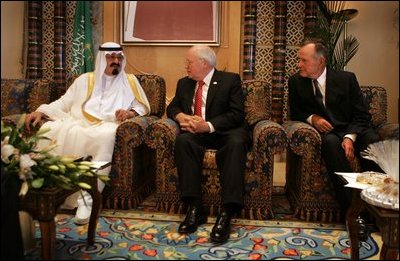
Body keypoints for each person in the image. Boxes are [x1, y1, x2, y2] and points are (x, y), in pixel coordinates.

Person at [25, 42, 151, 225]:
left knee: (106, 135)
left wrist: (129, 113)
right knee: (49, 129)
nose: (116, 61)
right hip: (78, 121)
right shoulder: (84, 79)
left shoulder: (130, 81)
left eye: (119, 58)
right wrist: (41, 111)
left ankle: (87, 199)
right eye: (111, 57)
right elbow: (63, 102)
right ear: (102, 58)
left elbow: (142, 107)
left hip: (109, 124)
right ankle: (44, 192)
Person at [288, 39, 382, 238]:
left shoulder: (346, 79)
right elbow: (296, 112)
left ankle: (379, 211)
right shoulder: (296, 81)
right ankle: (353, 214)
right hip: (330, 133)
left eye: (303, 60)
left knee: (373, 142)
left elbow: (362, 115)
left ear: (320, 62)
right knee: (330, 143)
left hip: (355, 129)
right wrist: (313, 118)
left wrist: (350, 137)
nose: (299, 64)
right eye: (299, 60)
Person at [167, 45, 251, 243]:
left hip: (225, 131)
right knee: (183, 141)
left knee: (236, 144)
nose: (185, 66)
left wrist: (208, 126)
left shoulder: (230, 80)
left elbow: (237, 115)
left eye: (189, 62)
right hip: (196, 133)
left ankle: (227, 211)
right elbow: (173, 107)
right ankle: (195, 207)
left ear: (203, 63)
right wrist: (181, 117)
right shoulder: (184, 83)